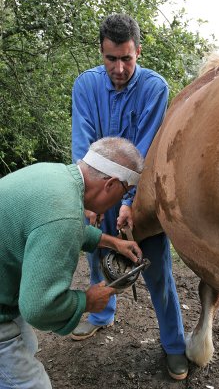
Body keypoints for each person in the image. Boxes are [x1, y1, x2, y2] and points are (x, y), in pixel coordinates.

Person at [71, 14, 188, 380]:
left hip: (139, 200)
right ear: (101, 53)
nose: (119, 68)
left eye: (127, 58)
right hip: (96, 192)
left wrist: (128, 202)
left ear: (138, 50)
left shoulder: (156, 88)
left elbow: (145, 150)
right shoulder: (85, 85)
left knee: (155, 268)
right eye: (110, 59)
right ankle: (102, 313)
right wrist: (86, 201)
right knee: (97, 255)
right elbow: (83, 145)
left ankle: (174, 345)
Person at [0, 136, 144, 388]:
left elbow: (60, 224)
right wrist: (86, 301)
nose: (121, 201)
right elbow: (39, 308)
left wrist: (113, 242)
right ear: (110, 184)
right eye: (126, 192)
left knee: (28, 344)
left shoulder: (56, 177)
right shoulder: (64, 214)